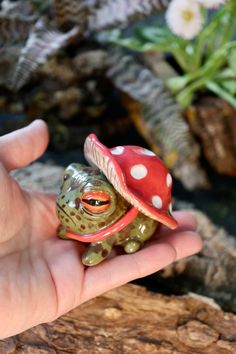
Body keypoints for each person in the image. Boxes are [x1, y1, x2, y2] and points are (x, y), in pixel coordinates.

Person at [0, 120, 202, 339]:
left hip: (134, 222)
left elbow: (91, 255)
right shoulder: (78, 198)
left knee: (141, 229)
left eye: (95, 202)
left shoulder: (124, 209)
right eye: (68, 179)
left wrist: (104, 239)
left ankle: (131, 236)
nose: (68, 201)